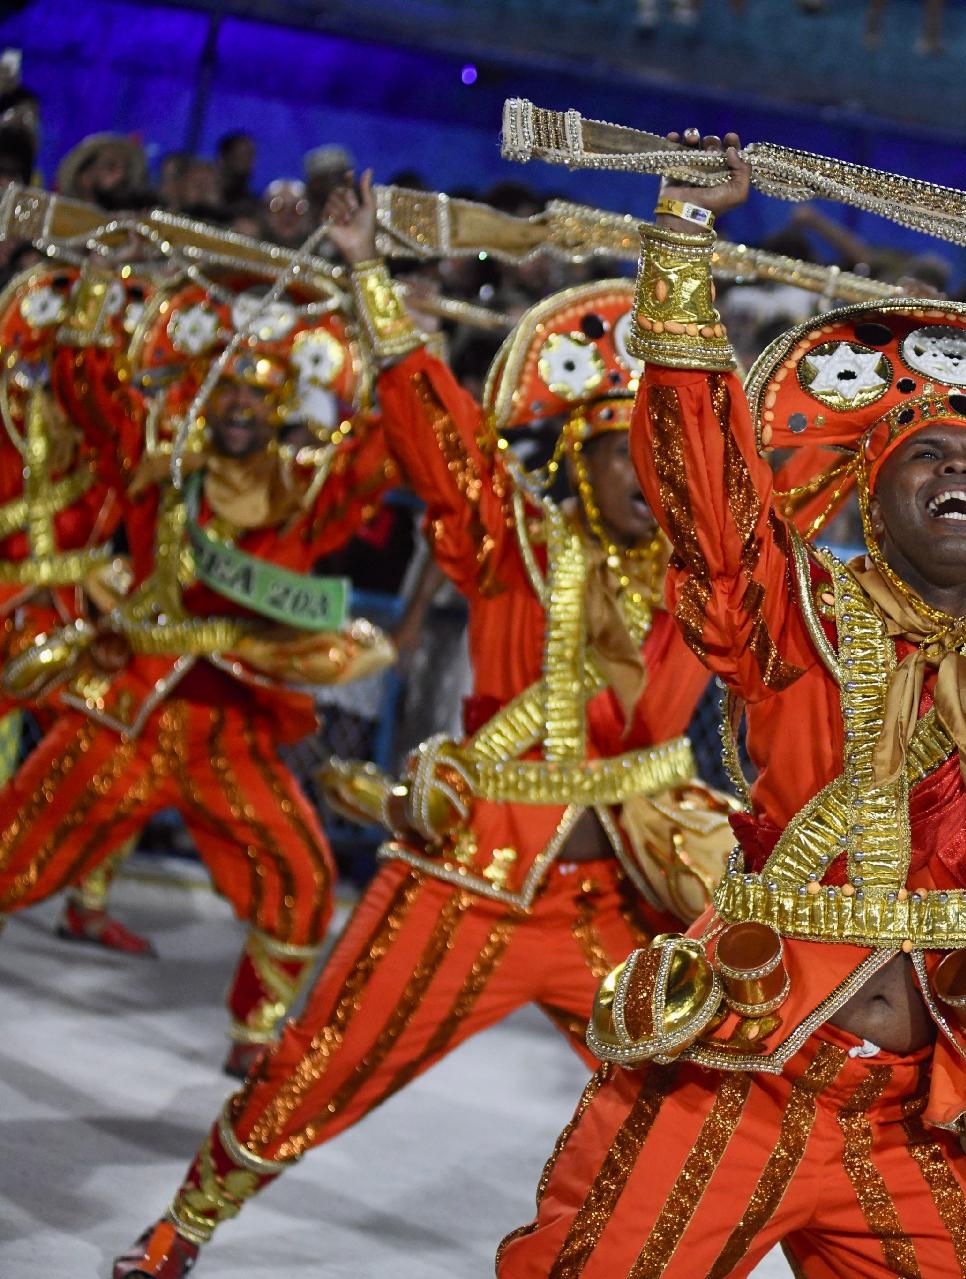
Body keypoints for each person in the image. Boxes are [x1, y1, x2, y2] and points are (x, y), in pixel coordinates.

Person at [494, 130, 966, 1278]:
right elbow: (709, 489)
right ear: (874, 498)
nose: (958, 475)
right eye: (924, 454)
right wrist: (683, 243)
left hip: (913, 1116)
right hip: (738, 1078)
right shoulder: (801, 619)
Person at [111, 174, 728, 1279]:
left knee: (714, 1092)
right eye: (621, 446)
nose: (650, 472)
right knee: (321, 1068)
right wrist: (369, 278)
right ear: (575, 457)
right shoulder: (515, 541)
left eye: (662, 449)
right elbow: (436, 431)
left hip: (622, 903)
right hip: (471, 885)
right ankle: (178, 1231)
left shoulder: (713, 581)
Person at [0, 259, 396, 1077]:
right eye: (229, 391)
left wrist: (390, 327)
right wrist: (95, 296)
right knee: (11, 850)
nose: (242, 406)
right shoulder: (162, 468)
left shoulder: (302, 488)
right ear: (208, 397)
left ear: (283, 402)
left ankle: (256, 1037)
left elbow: (386, 452)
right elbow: (90, 397)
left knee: (300, 879)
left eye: (259, 393)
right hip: (125, 715)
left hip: (234, 734)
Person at [0, 259, 157, 956]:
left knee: (125, 746)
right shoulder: (11, 413)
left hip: (80, 614)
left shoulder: (122, 428)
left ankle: (88, 900)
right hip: (11, 605)